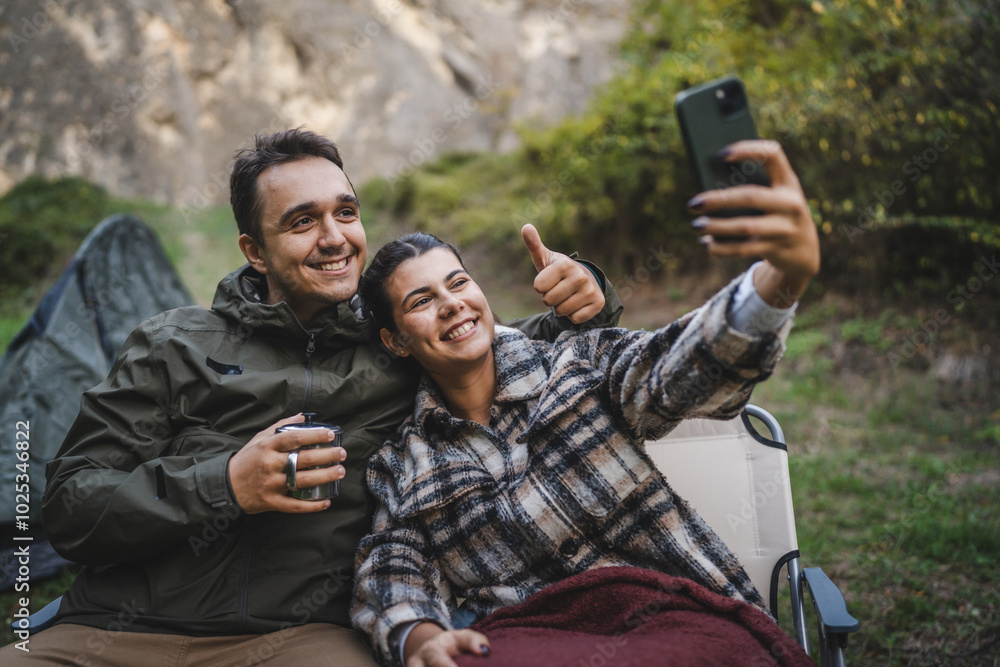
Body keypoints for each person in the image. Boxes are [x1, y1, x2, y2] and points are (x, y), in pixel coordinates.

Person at [0, 128, 621, 665]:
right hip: (118, 632)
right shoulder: (171, 345)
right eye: (302, 221)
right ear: (255, 251)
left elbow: (494, 346)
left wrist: (587, 296)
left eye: (345, 213)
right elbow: (69, 508)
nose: (334, 238)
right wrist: (226, 482)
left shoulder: (396, 347)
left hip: (298, 639)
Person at [351, 140, 821, 667]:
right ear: (395, 340)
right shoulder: (403, 462)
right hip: (525, 641)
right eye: (421, 300)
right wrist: (418, 635)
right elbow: (393, 564)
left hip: (673, 619)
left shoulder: (578, 365)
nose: (451, 303)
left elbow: (675, 369)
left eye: (458, 282)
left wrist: (779, 283)